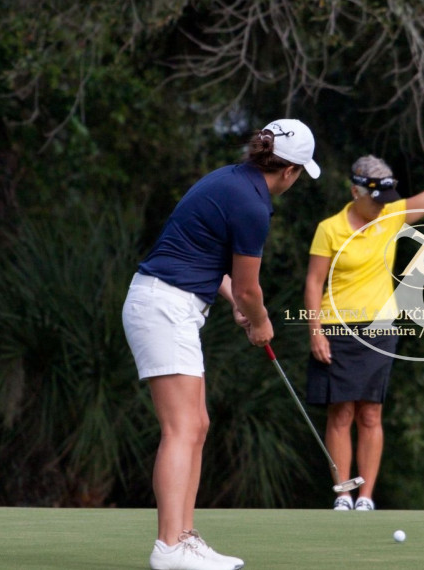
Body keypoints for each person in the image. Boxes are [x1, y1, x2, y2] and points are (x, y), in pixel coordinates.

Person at [122, 119, 320, 570]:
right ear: (290, 171)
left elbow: (208, 261)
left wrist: (235, 302)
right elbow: (250, 288)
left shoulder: (230, 179)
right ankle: (169, 546)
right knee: (182, 428)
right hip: (164, 306)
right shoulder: (253, 204)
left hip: (169, 303)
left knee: (197, 424)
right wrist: (259, 322)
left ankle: (184, 539)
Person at [304, 138, 424, 511]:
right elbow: (313, 283)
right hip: (337, 327)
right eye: (375, 199)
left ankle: (365, 497)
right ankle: (343, 494)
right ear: (355, 191)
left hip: (381, 328)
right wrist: (316, 332)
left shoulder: (391, 216)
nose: (381, 206)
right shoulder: (330, 229)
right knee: (341, 412)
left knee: (370, 412)